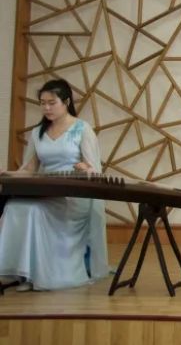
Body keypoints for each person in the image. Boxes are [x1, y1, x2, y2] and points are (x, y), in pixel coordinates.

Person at [0, 79, 110, 291]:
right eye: (42, 103)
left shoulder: (82, 129)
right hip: (47, 192)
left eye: (52, 103)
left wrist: (85, 169)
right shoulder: (38, 132)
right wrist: (7, 174)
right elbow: (29, 169)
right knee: (14, 207)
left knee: (33, 211)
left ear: (66, 102)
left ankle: (36, 275)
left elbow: (94, 171)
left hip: (73, 197)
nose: (46, 108)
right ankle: (22, 273)